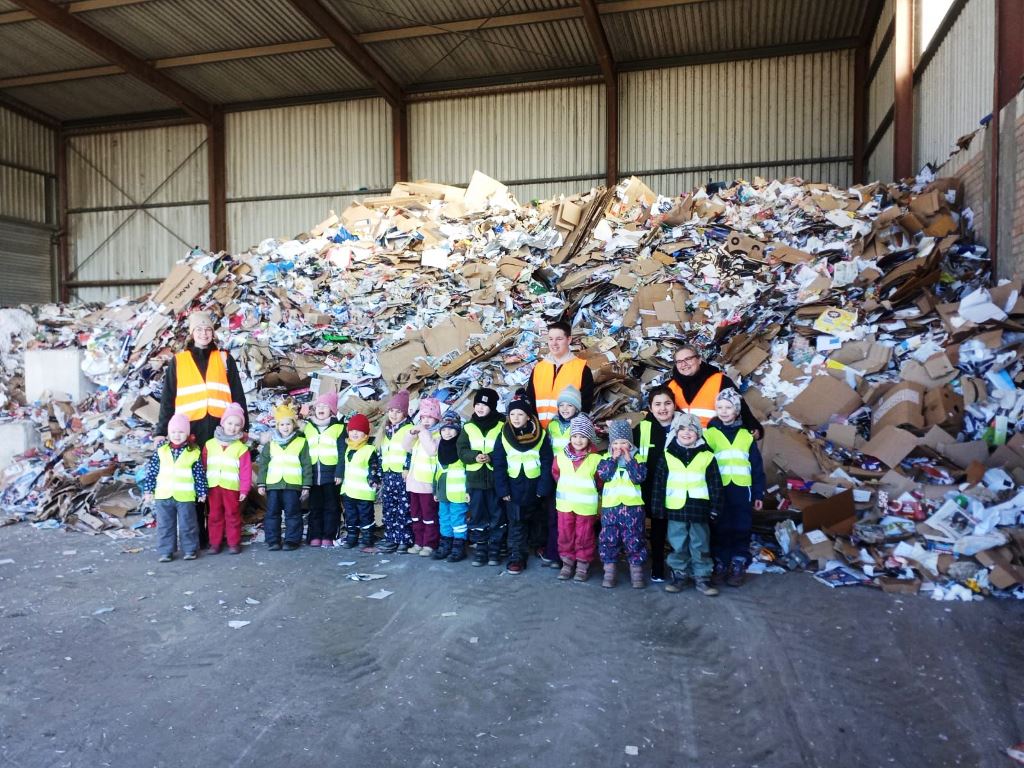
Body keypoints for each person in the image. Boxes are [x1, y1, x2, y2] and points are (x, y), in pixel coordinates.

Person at [156, 310, 248, 549]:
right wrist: (161, 430)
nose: (204, 334)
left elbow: (238, 394)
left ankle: (223, 534)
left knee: (219, 482)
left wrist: (243, 425)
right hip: (190, 428)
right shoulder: (179, 360)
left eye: (208, 329)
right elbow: (168, 398)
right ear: (191, 333)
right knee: (193, 481)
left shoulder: (225, 358)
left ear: (213, 333)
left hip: (221, 428)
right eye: (199, 329)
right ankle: (197, 537)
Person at [651, 412, 723, 597]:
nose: (686, 432)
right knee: (678, 543)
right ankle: (679, 575)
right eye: (682, 429)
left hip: (699, 508)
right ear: (676, 432)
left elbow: (715, 484)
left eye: (691, 429)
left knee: (700, 544)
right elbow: (659, 483)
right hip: (675, 508)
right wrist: (657, 508)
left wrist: (716, 508)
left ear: (698, 433)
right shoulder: (667, 455)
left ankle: (702, 577)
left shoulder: (707, 456)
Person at [703, 388, 766, 587]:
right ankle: (720, 562)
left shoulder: (746, 436)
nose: (723, 411)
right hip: (719, 491)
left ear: (737, 411)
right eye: (719, 407)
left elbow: (756, 467)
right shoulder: (710, 434)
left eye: (728, 407)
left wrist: (758, 493)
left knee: (741, 526)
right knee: (720, 526)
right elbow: (704, 463)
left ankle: (738, 561)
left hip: (742, 491)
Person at [492, 392, 553, 575]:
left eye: (520, 414)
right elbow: (499, 463)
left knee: (537, 519)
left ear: (528, 416)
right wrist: (502, 489)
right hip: (513, 486)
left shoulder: (540, 435)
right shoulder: (503, 436)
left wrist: (543, 487)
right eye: (512, 414)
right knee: (516, 521)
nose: (516, 418)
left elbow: (546, 461)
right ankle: (516, 556)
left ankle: (539, 546)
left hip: (535, 485)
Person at [142, 413, 207, 563]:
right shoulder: (161, 450)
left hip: (185, 496)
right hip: (163, 495)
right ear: (168, 434)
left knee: (188, 524)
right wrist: (148, 490)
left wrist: (202, 491)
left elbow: (199, 474)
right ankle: (166, 551)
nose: (177, 435)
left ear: (188, 434)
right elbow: (152, 472)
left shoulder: (194, 452)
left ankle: (190, 550)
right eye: (174, 432)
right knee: (165, 526)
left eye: (181, 432)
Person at [596, 420, 648, 589]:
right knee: (609, 539)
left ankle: (637, 574)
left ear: (630, 444)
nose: (619, 446)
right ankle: (609, 573)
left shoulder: (639, 458)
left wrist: (629, 459)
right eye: (616, 443)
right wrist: (613, 459)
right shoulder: (605, 458)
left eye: (623, 442)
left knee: (635, 539)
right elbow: (604, 475)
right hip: (611, 508)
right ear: (611, 444)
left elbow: (639, 477)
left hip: (633, 509)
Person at [633, 384, 677, 583]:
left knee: (675, 530)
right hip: (649, 487)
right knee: (653, 529)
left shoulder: (683, 425)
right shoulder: (643, 427)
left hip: (677, 487)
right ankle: (655, 565)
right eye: (657, 404)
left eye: (667, 403)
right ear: (650, 408)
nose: (663, 408)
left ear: (674, 405)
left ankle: (677, 567)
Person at [666, 344, 761, 434]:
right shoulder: (670, 386)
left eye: (688, 359)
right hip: (684, 442)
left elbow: (740, 407)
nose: (684, 364)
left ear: (699, 360)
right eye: (679, 361)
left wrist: (753, 427)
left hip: (716, 441)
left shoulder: (720, 381)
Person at [551, 414, 602, 582]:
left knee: (584, 536)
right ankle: (567, 563)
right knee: (565, 534)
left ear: (589, 439)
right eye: (575, 436)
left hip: (586, 508)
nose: (578, 440)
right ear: (570, 437)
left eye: (583, 436)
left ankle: (582, 565)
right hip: (565, 506)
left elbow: (599, 481)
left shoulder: (596, 459)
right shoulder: (560, 457)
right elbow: (556, 474)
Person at [458, 388, 505, 567]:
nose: (480, 408)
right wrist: (475, 456)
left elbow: (505, 448)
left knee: (497, 514)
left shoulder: (502, 425)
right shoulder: (468, 427)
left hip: (495, 480)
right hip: (475, 481)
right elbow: (461, 450)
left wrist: (491, 457)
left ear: (492, 407)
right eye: (477, 404)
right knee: (477, 515)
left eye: (484, 405)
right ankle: (481, 548)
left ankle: (495, 549)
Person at [256, 403, 311, 551]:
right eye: (282, 424)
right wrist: (261, 483)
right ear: (277, 426)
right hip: (273, 485)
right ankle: (273, 540)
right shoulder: (270, 443)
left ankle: (292, 540)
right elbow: (264, 465)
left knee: (293, 514)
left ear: (293, 425)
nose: (285, 427)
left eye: (288, 424)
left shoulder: (301, 442)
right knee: (272, 514)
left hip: (292, 485)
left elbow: (306, 465)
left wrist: (306, 486)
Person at [538, 385, 582, 567]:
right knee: (553, 516)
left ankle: (570, 556)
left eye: (569, 405)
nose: (565, 409)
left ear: (577, 408)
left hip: (574, 479)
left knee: (571, 519)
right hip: (554, 477)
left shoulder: (581, 424)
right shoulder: (553, 425)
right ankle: (553, 553)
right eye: (562, 404)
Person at [202, 402, 250, 555]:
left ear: (241, 428)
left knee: (232, 515)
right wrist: (201, 487)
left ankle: (233, 543)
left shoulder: (241, 448)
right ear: (223, 423)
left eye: (237, 425)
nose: (233, 427)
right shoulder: (209, 445)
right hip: (213, 487)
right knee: (214, 515)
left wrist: (244, 489)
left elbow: (245, 470)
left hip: (231, 487)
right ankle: (214, 543)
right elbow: (202, 467)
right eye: (230, 423)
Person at [527, 320, 594, 428]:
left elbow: (585, 407)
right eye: (550, 339)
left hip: (567, 435)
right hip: (540, 434)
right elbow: (530, 401)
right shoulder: (538, 368)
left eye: (559, 339)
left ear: (569, 340)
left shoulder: (582, 369)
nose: (554, 343)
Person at [302, 392, 345, 548]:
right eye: (319, 406)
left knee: (332, 506)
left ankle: (329, 535)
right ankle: (314, 536)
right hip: (313, 474)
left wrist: (340, 472)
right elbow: (303, 452)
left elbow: (342, 452)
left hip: (331, 474)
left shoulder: (339, 428)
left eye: (325, 406)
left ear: (332, 410)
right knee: (315, 507)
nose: (321, 408)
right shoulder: (308, 428)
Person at [403, 397, 441, 557]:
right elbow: (405, 446)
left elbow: (432, 450)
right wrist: (412, 433)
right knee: (416, 515)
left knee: (429, 516)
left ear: (436, 418)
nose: (425, 421)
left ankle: (430, 543)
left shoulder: (439, 435)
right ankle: (418, 541)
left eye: (429, 417)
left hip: (427, 484)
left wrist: (423, 432)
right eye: (423, 417)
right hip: (414, 483)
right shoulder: (419, 435)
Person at [378, 389, 414, 554]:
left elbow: (411, 451)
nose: (393, 414)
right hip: (388, 474)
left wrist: (407, 467)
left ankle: (404, 539)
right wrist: (379, 474)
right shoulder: (386, 431)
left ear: (405, 413)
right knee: (389, 508)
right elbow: (382, 453)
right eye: (391, 411)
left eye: (398, 411)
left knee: (403, 508)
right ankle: (391, 537)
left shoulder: (409, 429)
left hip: (402, 475)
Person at [339, 413, 382, 550]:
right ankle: (352, 536)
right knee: (350, 516)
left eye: (359, 431)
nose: (355, 433)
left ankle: (367, 537)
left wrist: (373, 479)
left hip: (363, 492)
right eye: (352, 431)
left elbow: (374, 467)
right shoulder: (348, 449)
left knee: (366, 516)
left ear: (365, 434)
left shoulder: (369, 450)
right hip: (349, 491)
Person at [433, 412, 470, 563]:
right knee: (444, 519)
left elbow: (468, 471)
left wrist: (468, 490)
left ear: (458, 430)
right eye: (444, 429)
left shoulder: (461, 447)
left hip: (459, 493)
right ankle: (445, 544)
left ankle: (459, 547)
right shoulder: (440, 447)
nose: (447, 433)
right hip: (443, 493)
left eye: (451, 429)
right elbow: (437, 471)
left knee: (458, 520)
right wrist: (435, 490)